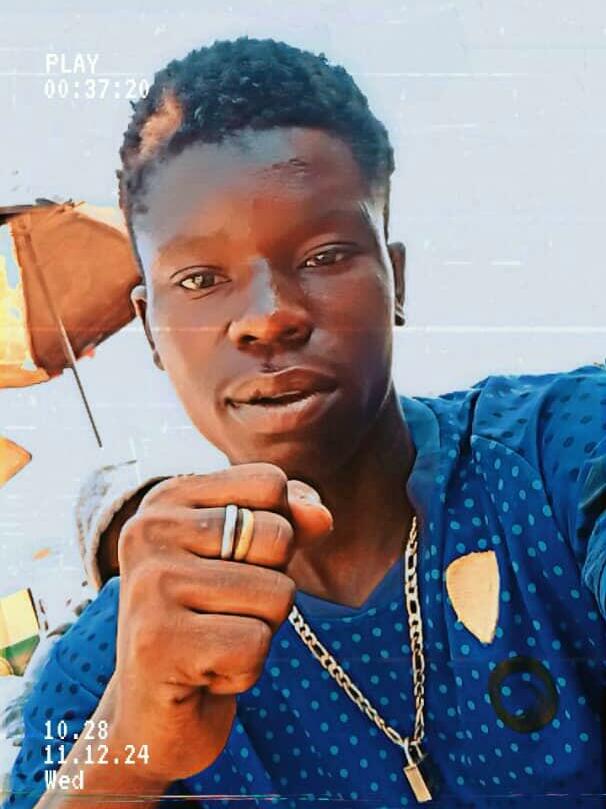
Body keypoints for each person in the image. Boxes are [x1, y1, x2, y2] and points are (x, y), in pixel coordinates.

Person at [3, 36, 606, 809]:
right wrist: (128, 751)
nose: (268, 317)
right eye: (201, 278)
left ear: (395, 279)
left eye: (323, 256)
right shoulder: (110, 663)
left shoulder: (554, 458)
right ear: (152, 328)